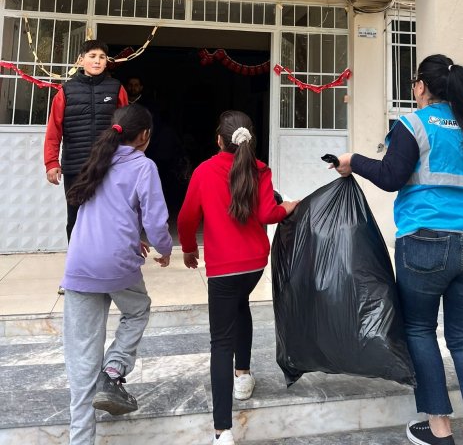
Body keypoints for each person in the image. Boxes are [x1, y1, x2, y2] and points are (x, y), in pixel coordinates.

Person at [334, 54, 463, 445]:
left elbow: (392, 177)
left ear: (421, 87)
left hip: (426, 244)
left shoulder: (413, 123)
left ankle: (440, 430)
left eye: (414, 82)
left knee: (419, 330)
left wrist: (352, 161)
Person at [177, 110, 298, 445]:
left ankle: (222, 431)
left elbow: (187, 218)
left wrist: (188, 248)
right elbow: (266, 214)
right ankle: (243, 376)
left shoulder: (204, 171)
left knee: (220, 343)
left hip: (223, 268)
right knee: (240, 304)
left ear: (219, 140)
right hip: (254, 263)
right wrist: (288, 206)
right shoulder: (259, 169)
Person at [62, 103, 172, 445]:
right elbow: (155, 222)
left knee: (81, 358)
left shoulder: (97, 158)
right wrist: (164, 249)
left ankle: (80, 440)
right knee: (137, 309)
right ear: (145, 136)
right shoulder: (144, 166)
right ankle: (113, 372)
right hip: (117, 265)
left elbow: (102, 212)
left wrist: (131, 237)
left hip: (79, 265)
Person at [44, 39, 128, 242]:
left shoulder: (116, 88)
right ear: (81, 60)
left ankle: (107, 262)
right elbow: (54, 130)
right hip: (76, 167)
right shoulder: (66, 91)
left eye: (102, 57)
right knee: (76, 217)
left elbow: (127, 127)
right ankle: (77, 264)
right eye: (92, 56)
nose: (97, 61)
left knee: (110, 216)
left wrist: (128, 159)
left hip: (109, 165)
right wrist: (51, 162)